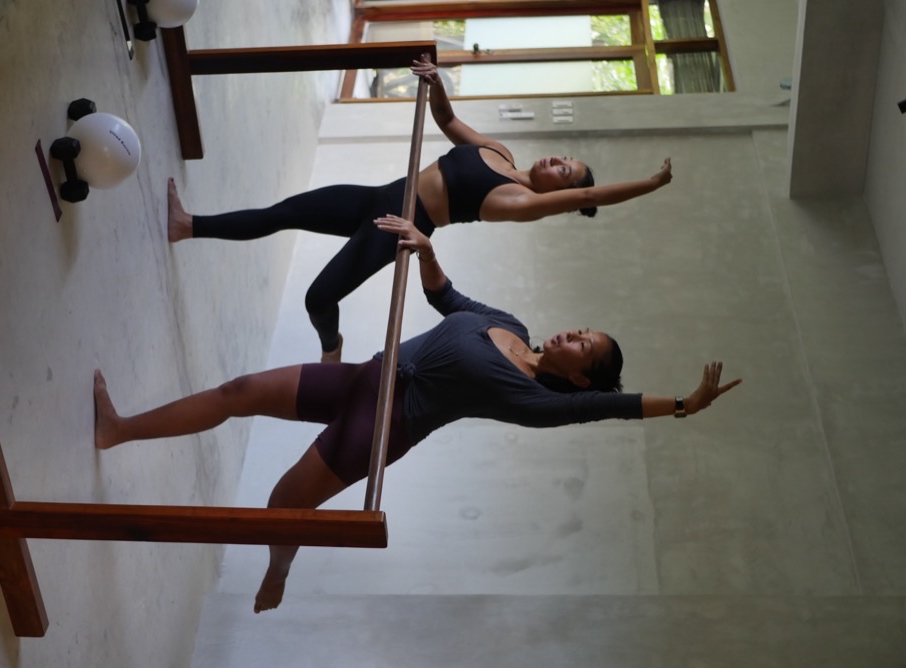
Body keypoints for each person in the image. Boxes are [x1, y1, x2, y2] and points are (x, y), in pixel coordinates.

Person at [94, 215, 741, 614]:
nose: (575, 333)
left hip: (382, 425)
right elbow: (445, 296)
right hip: (362, 378)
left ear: (579, 374)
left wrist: (684, 404)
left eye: (585, 346)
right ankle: (119, 429)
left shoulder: (538, 401)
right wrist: (424, 247)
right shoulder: (508, 324)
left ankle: (277, 571)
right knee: (239, 392)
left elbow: (615, 407)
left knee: (282, 499)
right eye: (583, 330)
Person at [166, 59, 674, 362]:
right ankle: (187, 226)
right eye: (564, 158)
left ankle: (331, 347)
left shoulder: (521, 204)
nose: (557, 162)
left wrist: (649, 184)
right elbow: (450, 123)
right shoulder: (500, 152)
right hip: (378, 195)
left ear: (557, 193)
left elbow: (589, 197)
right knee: (285, 210)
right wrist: (436, 83)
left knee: (317, 298)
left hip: (396, 225)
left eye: (564, 170)